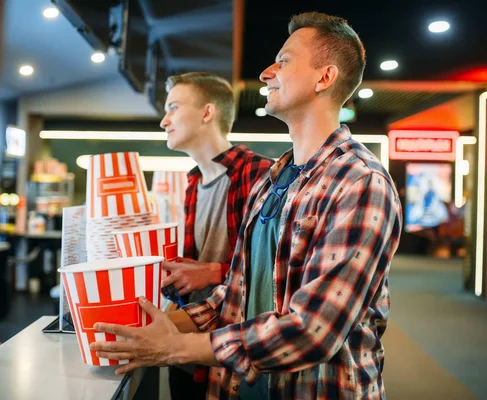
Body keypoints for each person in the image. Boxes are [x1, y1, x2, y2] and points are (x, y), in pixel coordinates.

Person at [92, 11, 402, 399]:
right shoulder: (274, 177)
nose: (266, 73)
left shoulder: (359, 182)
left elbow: (313, 330)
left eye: (284, 61)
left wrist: (176, 347)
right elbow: (233, 294)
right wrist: (158, 325)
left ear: (324, 78)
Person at [158, 72, 274, 398]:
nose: (164, 121)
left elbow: (274, 272)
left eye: (174, 108)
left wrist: (211, 272)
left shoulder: (260, 174)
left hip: (231, 349)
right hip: (187, 341)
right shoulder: (194, 182)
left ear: (207, 113)